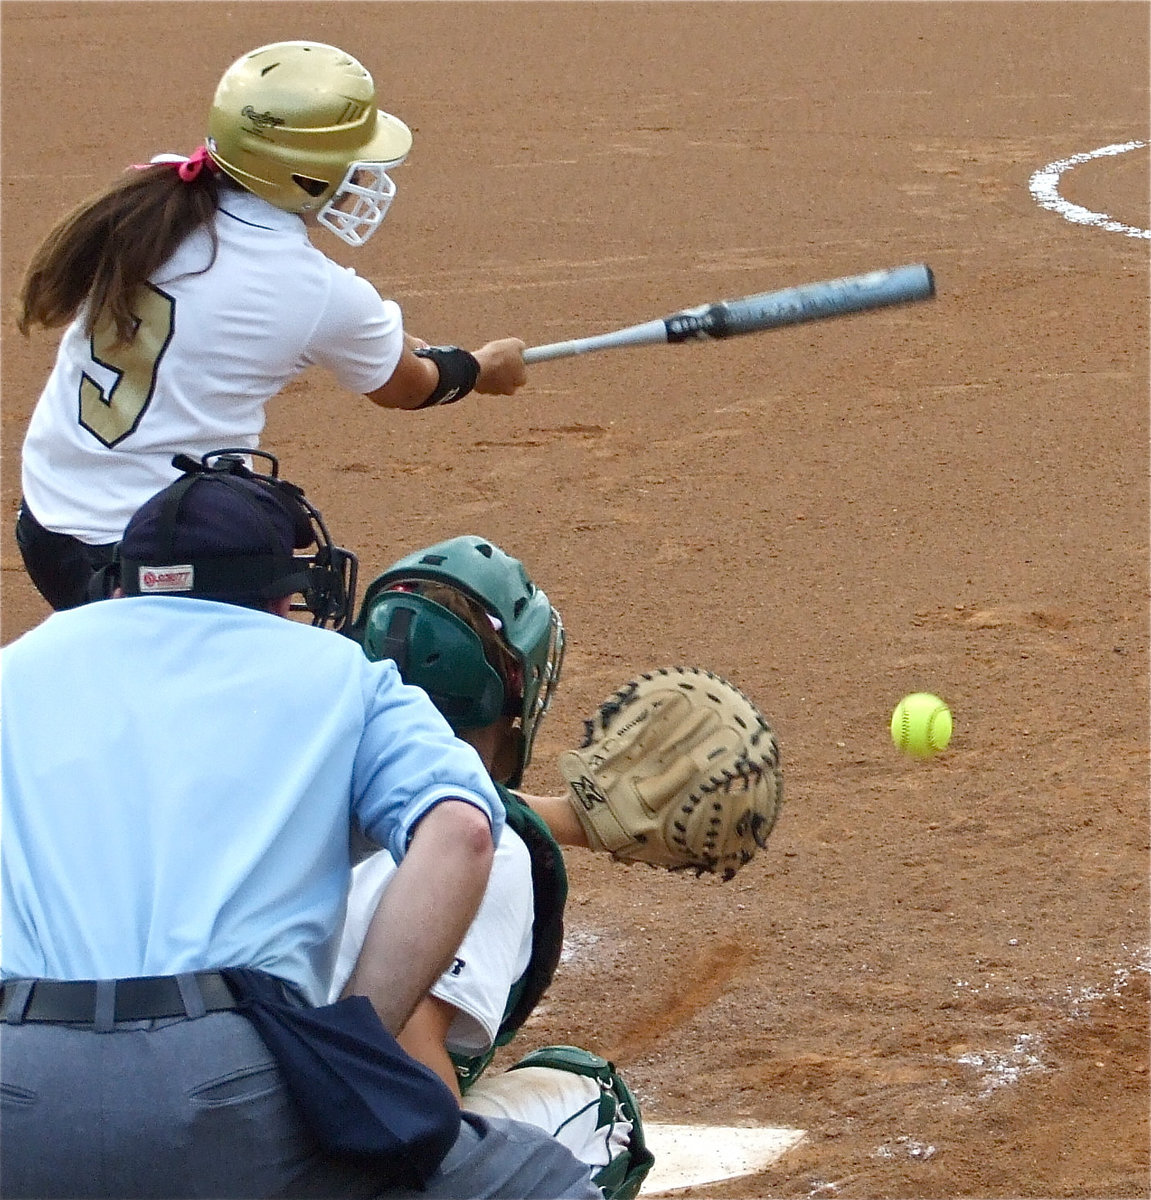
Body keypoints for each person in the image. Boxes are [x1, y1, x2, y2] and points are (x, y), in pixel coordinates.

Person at [0, 452, 601, 1200]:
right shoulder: (340, 674)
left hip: (14, 1086)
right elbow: (462, 833)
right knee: (544, 1179)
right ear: (283, 596)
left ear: (123, 580)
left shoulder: (15, 670)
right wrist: (353, 1049)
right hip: (224, 1090)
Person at [15, 39, 528, 613]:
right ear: (303, 174)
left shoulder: (161, 200)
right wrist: (481, 367)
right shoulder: (312, 288)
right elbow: (409, 386)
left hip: (47, 519)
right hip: (147, 560)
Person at [333, 536, 655, 1200]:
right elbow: (405, 1044)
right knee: (596, 1113)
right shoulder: (488, 850)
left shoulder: (309, 771)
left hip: (213, 1112)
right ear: (509, 697)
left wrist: (573, 820)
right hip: (324, 1149)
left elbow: (431, 792)